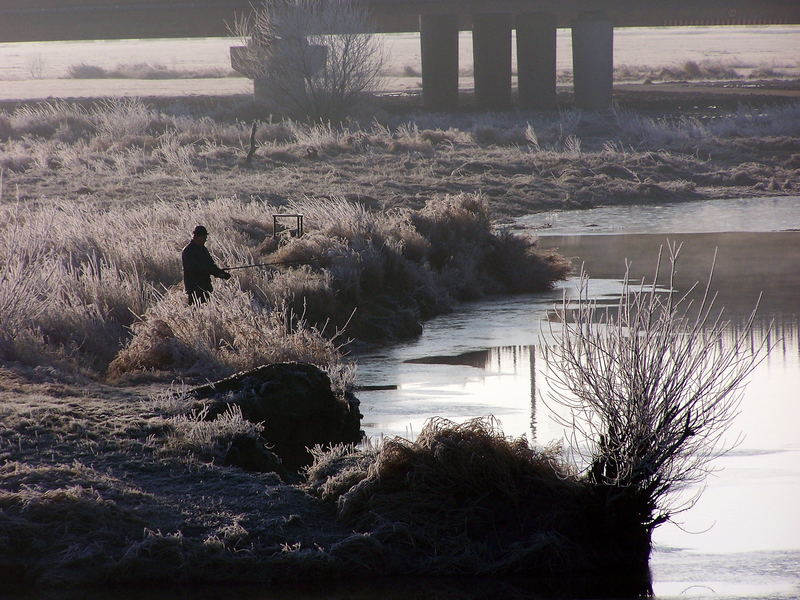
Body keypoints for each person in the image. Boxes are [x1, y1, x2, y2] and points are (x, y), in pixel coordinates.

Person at [181, 225, 231, 305]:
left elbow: (210, 265)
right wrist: (212, 271)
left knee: (205, 309)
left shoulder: (203, 249)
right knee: (196, 311)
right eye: (204, 237)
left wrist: (220, 273)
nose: (205, 240)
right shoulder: (188, 251)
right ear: (197, 237)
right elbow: (194, 269)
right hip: (194, 288)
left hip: (205, 287)